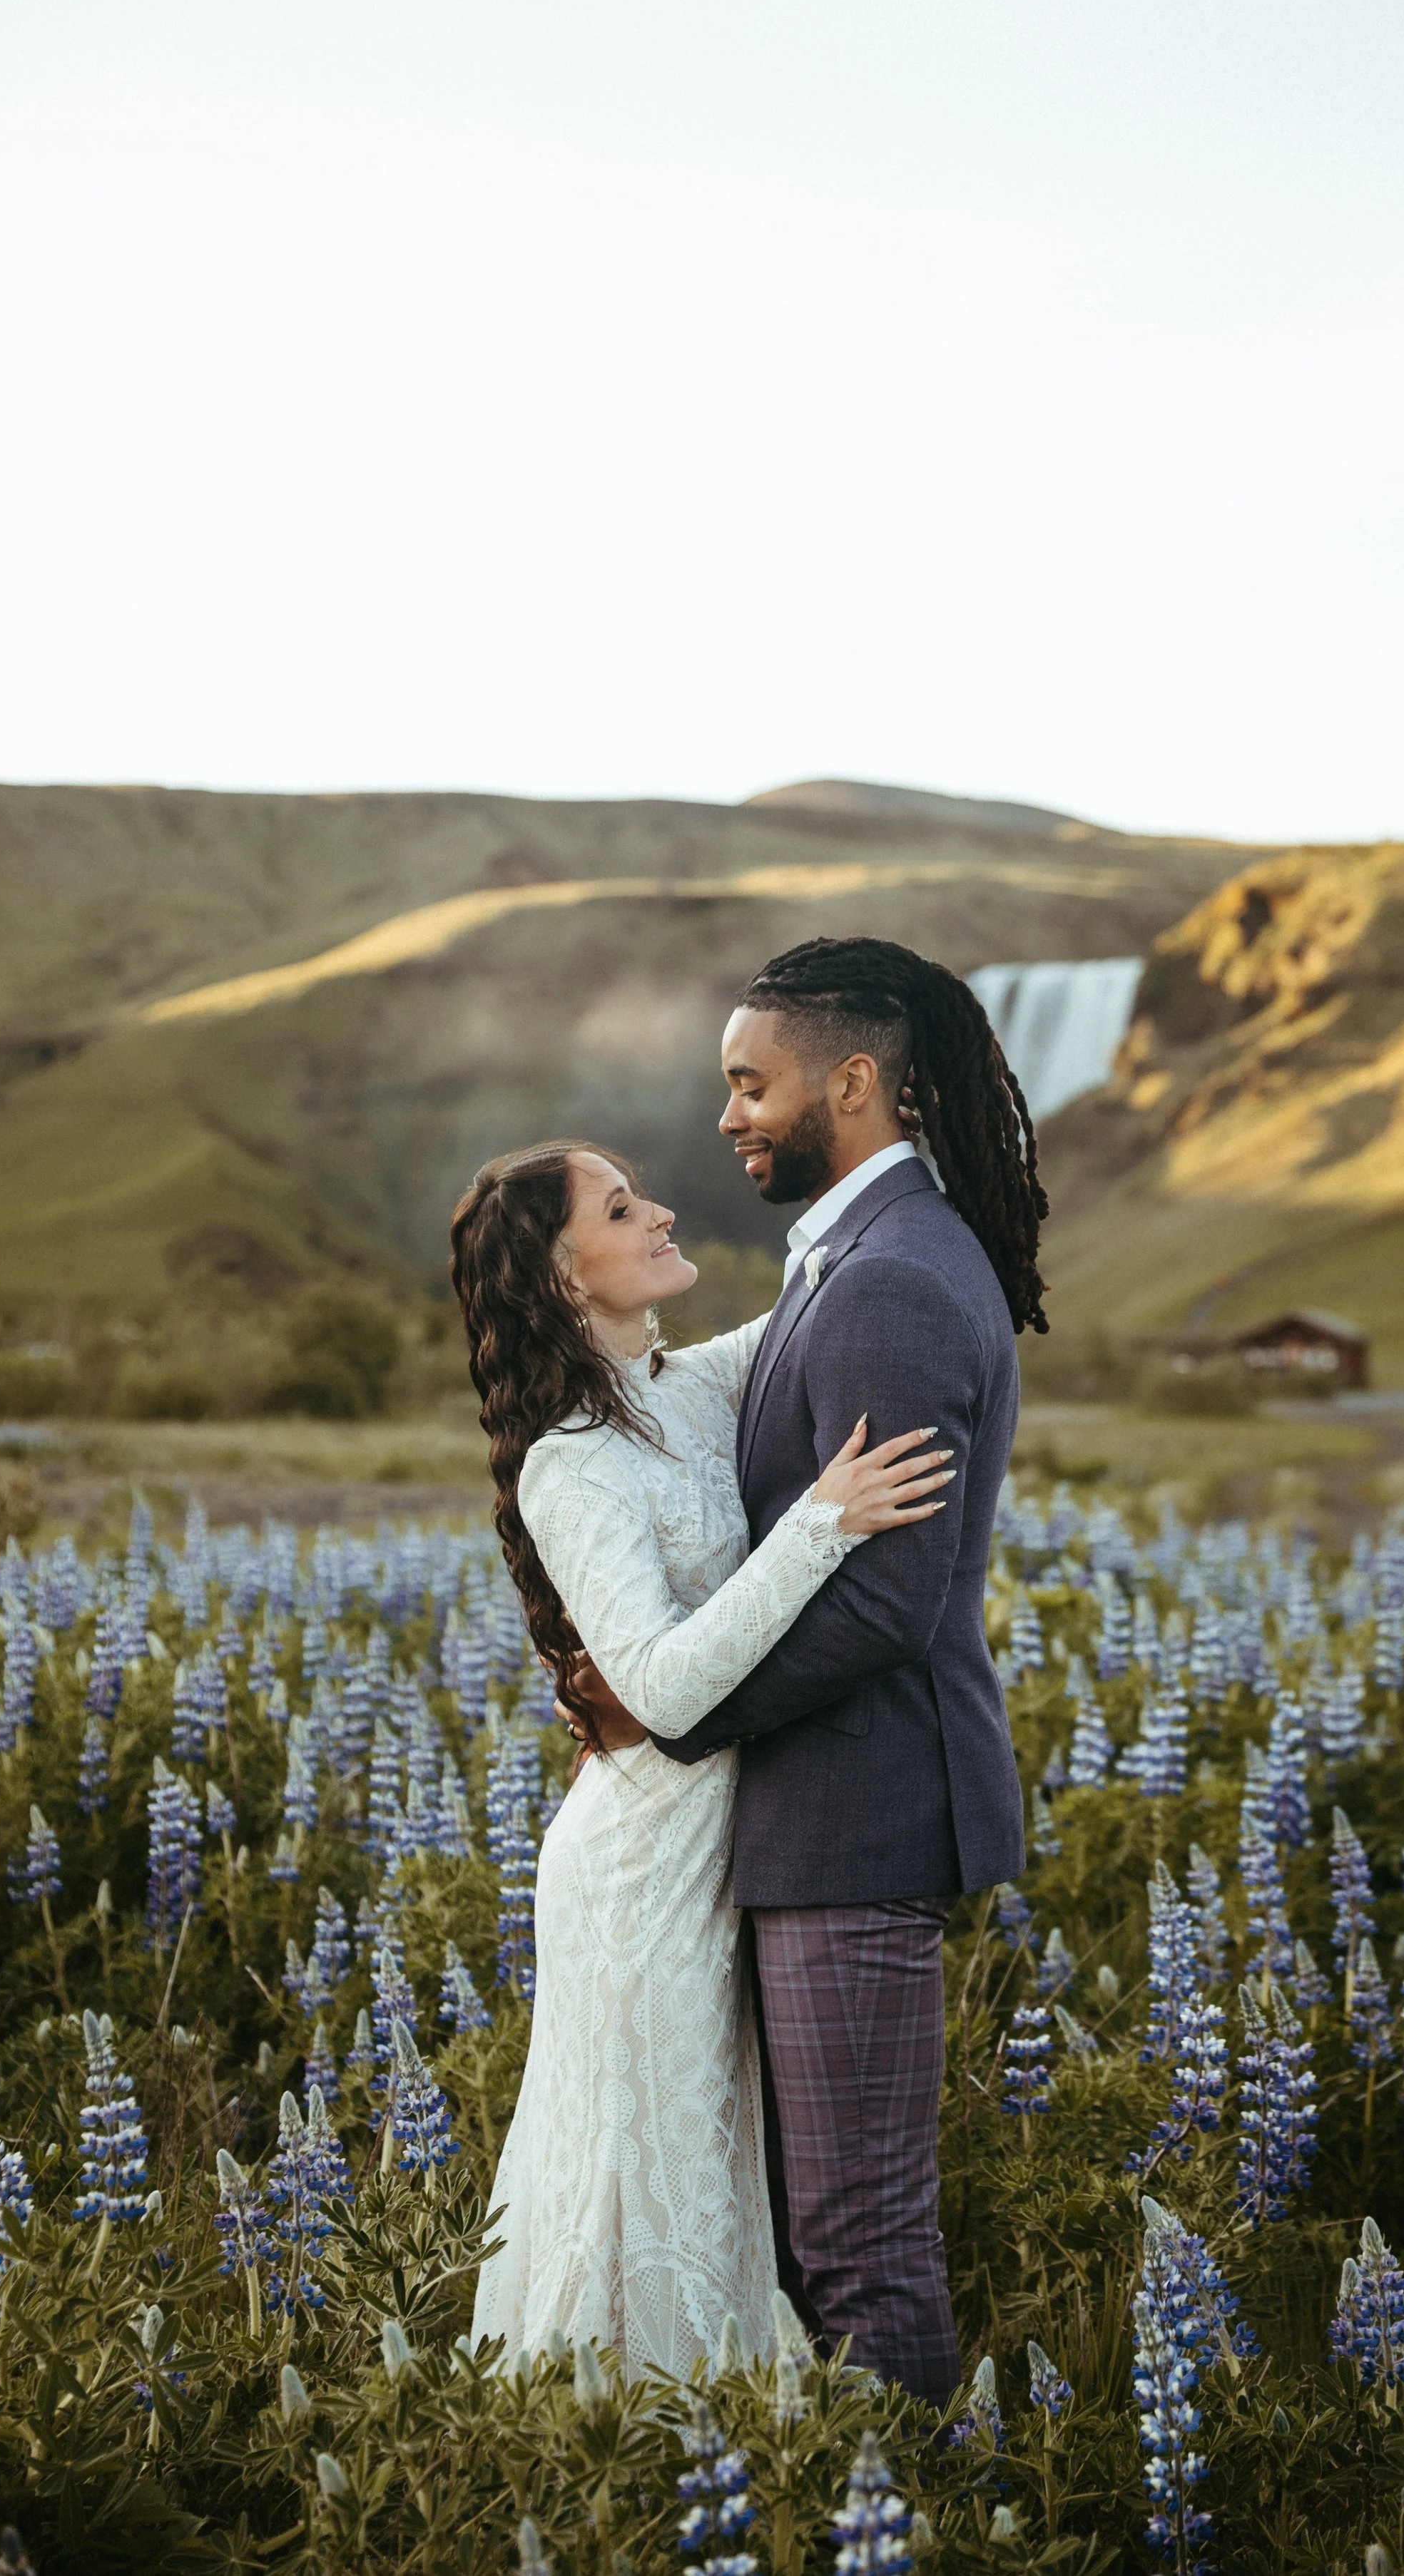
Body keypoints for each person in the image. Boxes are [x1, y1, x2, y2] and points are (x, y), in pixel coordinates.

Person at [573, 935, 1047, 2406]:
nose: (728, 1116)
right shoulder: (858, 1256)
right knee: (815, 2237)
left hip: (861, 1809)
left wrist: (673, 1713)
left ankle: (921, 2524)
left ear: (850, 1082)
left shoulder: (893, 1280)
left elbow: (888, 1606)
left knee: (853, 2244)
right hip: (831, 1808)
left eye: (749, 1084)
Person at [449, 1137, 952, 2378]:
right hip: (639, 1873)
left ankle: (688, 2465)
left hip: (710, 1848)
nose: (663, 1209)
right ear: (569, 1280)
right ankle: (613, 2464)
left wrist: (900, 1166)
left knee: (712, 2173)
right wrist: (818, 1527)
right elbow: (664, 1687)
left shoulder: (681, 1384)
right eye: (623, 1208)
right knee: (648, 2172)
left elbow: (814, 1297)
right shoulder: (572, 1462)